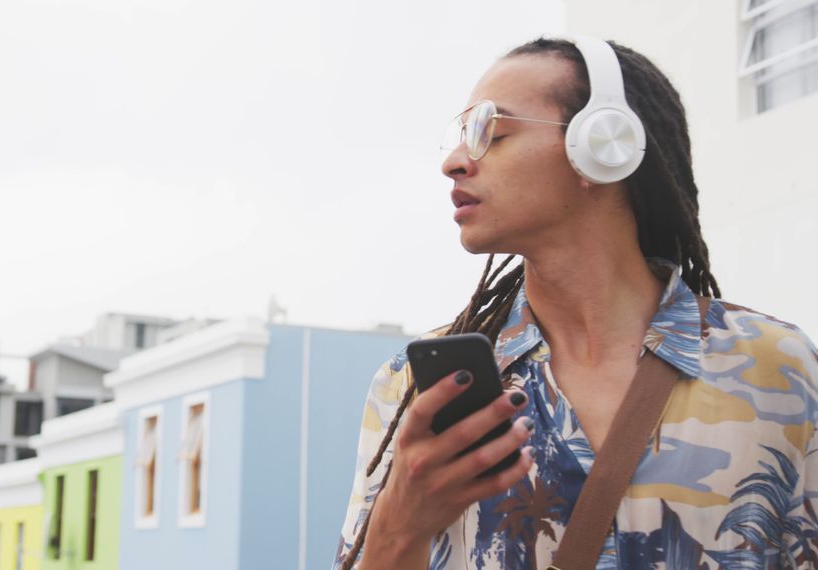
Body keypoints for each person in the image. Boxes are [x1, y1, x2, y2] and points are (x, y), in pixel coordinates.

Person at [331, 36, 818, 569]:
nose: (453, 161)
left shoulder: (779, 372)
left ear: (602, 144)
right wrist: (400, 523)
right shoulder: (414, 386)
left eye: (490, 130)